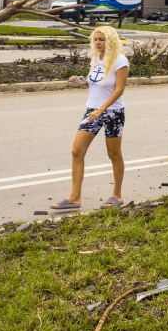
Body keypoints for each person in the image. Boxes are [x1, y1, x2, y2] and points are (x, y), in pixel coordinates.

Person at [51, 26, 128, 210]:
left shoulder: (120, 61)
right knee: (77, 151)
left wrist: (101, 110)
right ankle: (74, 197)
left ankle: (116, 195)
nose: (98, 43)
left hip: (113, 113)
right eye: (96, 39)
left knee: (114, 154)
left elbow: (119, 90)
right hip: (92, 111)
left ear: (111, 41)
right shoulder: (96, 59)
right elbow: (94, 83)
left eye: (102, 39)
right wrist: (81, 83)